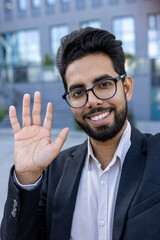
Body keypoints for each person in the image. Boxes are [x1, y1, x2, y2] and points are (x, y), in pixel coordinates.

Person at [1, 27, 160, 240]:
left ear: (127, 88)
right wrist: (27, 177)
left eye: (103, 85)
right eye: (78, 93)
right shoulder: (55, 171)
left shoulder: (156, 156)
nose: (92, 101)